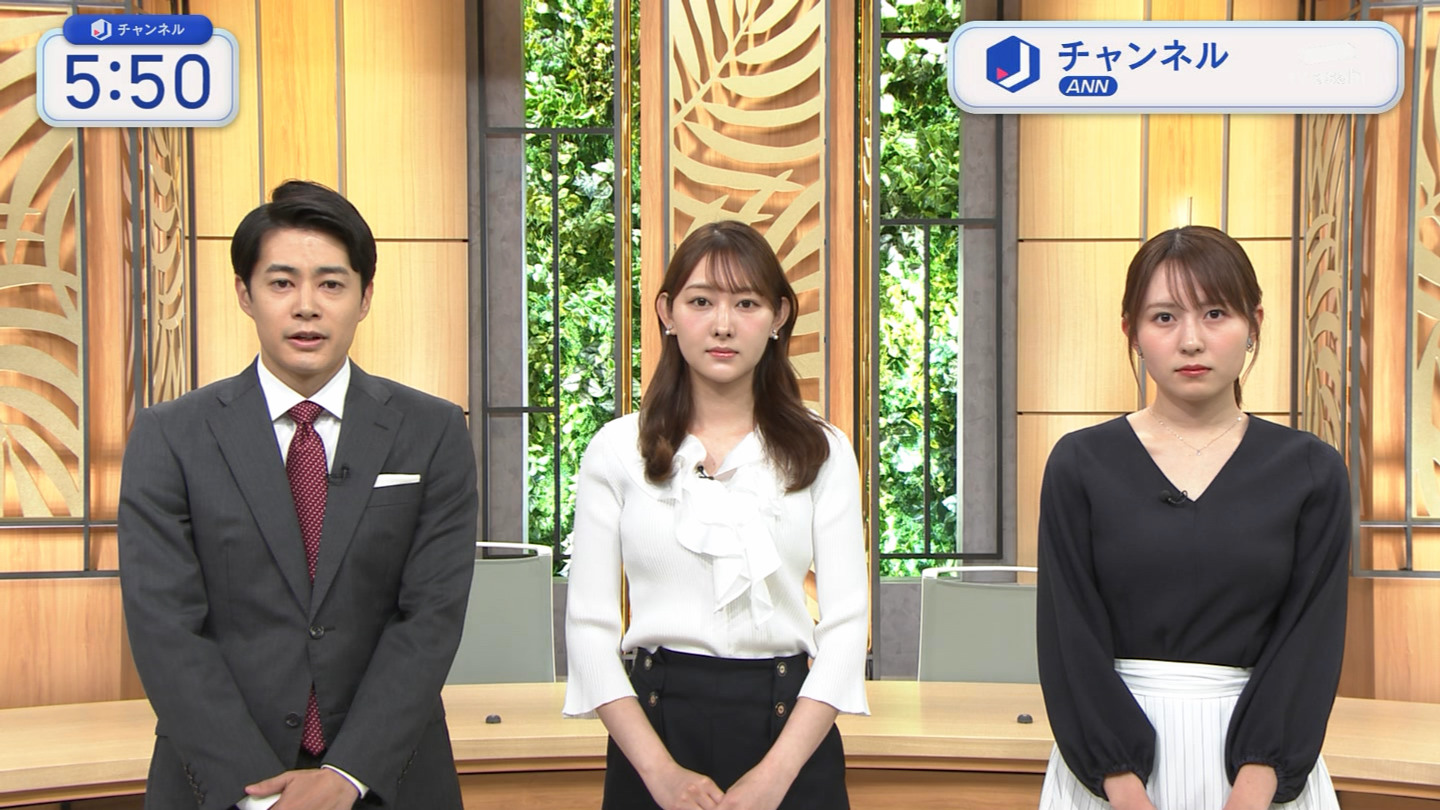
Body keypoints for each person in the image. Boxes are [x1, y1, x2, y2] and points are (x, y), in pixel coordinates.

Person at [118, 181, 478, 810]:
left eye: (331, 284)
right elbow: (164, 627)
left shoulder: (434, 431)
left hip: (387, 779)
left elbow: (430, 618)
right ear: (245, 294)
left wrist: (347, 774)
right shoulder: (171, 435)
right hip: (219, 783)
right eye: (282, 283)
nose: (306, 307)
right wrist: (258, 793)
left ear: (365, 297)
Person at [1035, 226, 1351, 810]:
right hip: (1109, 773)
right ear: (1130, 332)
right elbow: (1067, 635)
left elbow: (1311, 638)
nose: (1190, 341)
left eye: (1215, 313)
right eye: (1164, 317)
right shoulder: (1080, 463)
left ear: (1254, 324)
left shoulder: (1312, 470)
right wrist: (1124, 789)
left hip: (1262, 769)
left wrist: (1253, 791)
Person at [563, 220, 869, 810]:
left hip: (790, 732)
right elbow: (589, 628)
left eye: (746, 303)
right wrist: (660, 775)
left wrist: (775, 776)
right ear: (667, 313)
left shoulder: (823, 450)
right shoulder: (616, 449)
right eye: (701, 301)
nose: (723, 324)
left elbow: (846, 626)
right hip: (654, 732)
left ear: (779, 316)